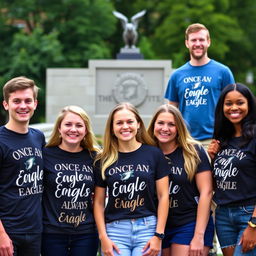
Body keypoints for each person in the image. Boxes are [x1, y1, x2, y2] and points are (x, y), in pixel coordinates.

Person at [93, 102, 169, 256]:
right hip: (115, 230)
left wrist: (158, 235)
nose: (125, 126)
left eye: (130, 122)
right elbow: (99, 202)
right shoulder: (103, 159)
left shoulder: (154, 154)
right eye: (119, 123)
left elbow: (163, 196)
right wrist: (103, 237)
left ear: (138, 124)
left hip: (147, 228)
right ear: (112, 128)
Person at [148, 104, 214, 256]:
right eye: (161, 123)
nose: (165, 128)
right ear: (153, 125)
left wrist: (199, 236)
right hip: (159, 226)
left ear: (179, 128)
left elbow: (207, 192)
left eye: (171, 124)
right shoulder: (147, 153)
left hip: (190, 222)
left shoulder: (193, 151)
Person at [41, 105, 99, 256]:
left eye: (79, 125)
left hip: (86, 233)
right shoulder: (45, 155)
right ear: (59, 128)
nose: (73, 129)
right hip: (52, 233)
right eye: (68, 124)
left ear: (86, 130)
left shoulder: (95, 158)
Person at [164, 23, 235, 145]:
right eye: (193, 40)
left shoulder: (223, 72)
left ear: (208, 42)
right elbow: (171, 111)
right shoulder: (177, 75)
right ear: (187, 43)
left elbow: (233, 106)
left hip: (215, 140)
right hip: (186, 141)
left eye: (201, 39)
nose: (198, 44)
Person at [208, 83, 256, 256]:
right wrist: (211, 159)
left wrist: (253, 224)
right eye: (228, 103)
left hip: (248, 213)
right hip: (223, 214)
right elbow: (217, 183)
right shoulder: (222, 140)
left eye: (240, 102)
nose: (234, 107)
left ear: (249, 105)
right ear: (222, 107)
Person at [0, 76, 45, 256]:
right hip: (8, 232)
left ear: (35, 104)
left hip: (35, 231)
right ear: (6, 104)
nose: (23, 106)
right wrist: (1, 234)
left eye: (28, 101)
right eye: (16, 101)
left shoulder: (38, 137)